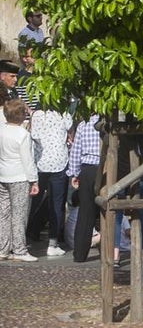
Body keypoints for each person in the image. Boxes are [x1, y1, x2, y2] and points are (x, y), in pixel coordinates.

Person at [28, 105, 70, 258]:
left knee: (32, 202)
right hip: (59, 162)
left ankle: (22, 238)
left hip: (40, 163)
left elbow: (33, 136)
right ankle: (53, 243)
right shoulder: (63, 113)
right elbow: (69, 129)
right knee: (56, 204)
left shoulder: (37, 114)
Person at [0, 98, 39, 262]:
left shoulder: (1, 130)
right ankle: (20, 249)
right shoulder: (23, 134)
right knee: (20, 214)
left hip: (3, 174)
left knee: (4, 213)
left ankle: (3, 248)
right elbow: (27, 159)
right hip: (20, 176)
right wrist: (34, 180)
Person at [68, 114, 101, 263]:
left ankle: (80, 254)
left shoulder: (83, 125)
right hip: (106, 167)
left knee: (85, 213)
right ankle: (111, 252)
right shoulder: (113, 125)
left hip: (87, 169)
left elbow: (76, 150)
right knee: (108, 211)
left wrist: (74, 173)